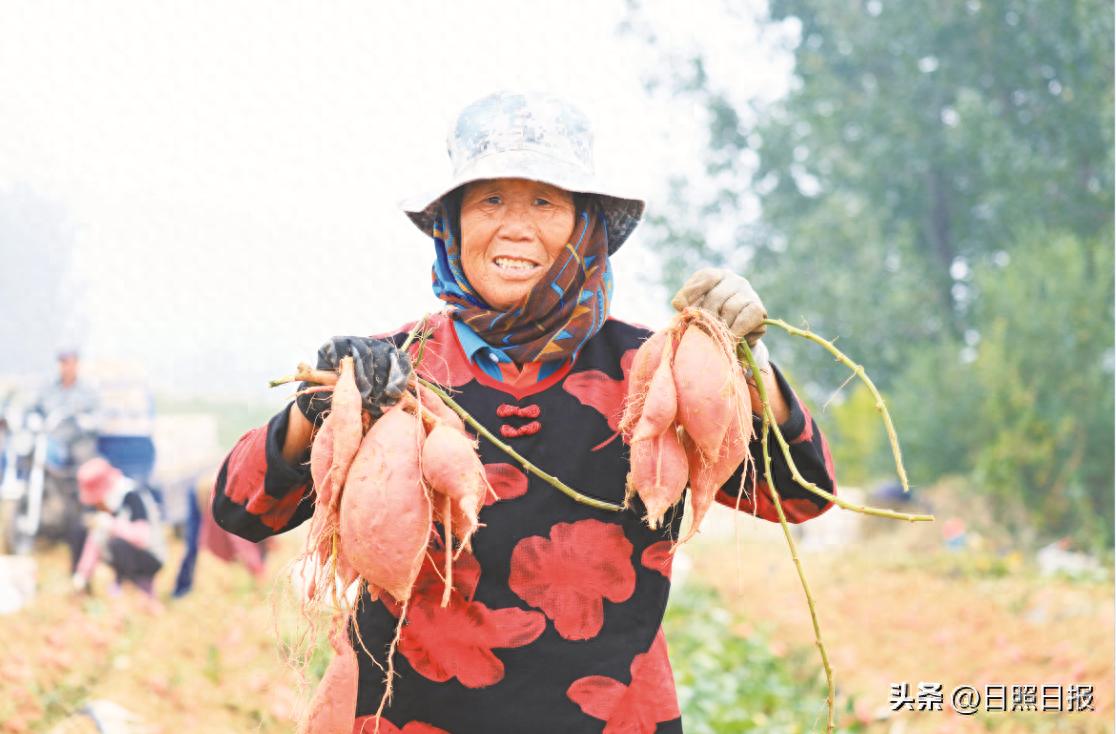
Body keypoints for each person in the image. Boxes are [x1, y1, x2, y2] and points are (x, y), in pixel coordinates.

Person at [213, 91, 837, 733]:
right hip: (405, 715)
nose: (515, 226)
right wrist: (318, 408)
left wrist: (747, 368)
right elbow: (241, 511)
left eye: (544, 201)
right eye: (490, 201)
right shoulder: (391, 371)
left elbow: (802, 494)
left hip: (613, 717)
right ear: (451, 223)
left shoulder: (651, 372)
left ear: (583, 224)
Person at [71, 457, 167, 598]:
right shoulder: (108, 506)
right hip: (123, 553)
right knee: (82, 531)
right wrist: (82, 574)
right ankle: (118, 582)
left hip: (150, 555)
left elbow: (142, 537)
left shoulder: (132, 497)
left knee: (117, 545)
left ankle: (142, 587)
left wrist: (111, 525)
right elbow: (95, 540)